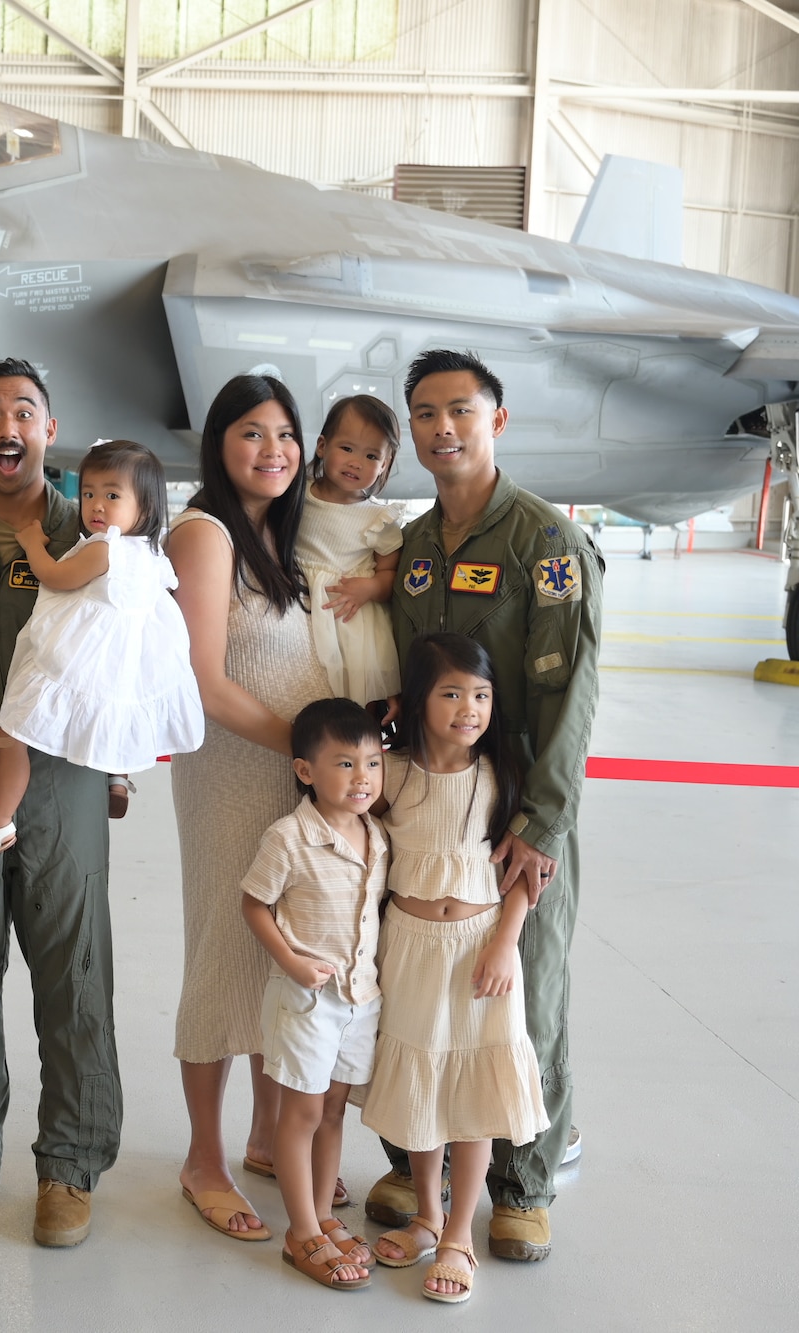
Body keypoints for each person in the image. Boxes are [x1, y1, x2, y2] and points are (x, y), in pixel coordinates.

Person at [365, 348, 602, 1264]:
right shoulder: (419, 546)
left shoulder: (545, 542)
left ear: (495, 420)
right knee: (422, 991)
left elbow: (572, 699)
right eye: (424, 413)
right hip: (433, 812)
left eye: (459, 410)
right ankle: (418, 1158)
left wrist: (541, 828)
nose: (441, 428)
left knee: (523, 993)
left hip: (521, 813)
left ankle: (522, 1181)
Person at [0, 358, 117, 1250]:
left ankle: (69, 1163)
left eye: (25, 412)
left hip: (68, 780)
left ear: (50, 429)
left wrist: (121, 763)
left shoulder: (98, 533)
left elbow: (141, 655)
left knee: (73, 973)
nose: (7, 426)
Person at [167, 373, 333, 1242]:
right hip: (236, 769)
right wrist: (304, 755)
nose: (273, 451)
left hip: (293, 775)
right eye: (251, 434)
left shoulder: (284, 535)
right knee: (226, 948)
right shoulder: (202, 532)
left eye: (284, 435)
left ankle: (271, 1137)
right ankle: (204, 1157)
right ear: (218, 444)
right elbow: (202, 681)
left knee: (286, 949)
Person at [361, 633, 550, 1303]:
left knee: (469, 1091)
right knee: (423, 1081)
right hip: (409, 944)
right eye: (450, 693)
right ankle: (426, 1215)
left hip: (479, 949)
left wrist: (506, 942)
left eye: (481, 694)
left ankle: (458, 1236)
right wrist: (381, 719)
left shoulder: (501, 776)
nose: (469, 707)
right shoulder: (394, 774)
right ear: (417, 700)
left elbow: (525, 874)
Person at [0, 438, 202, 866]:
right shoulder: (151, 553)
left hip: (79, 658)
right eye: (88, 493)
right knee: (113, 712)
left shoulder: (104, 548)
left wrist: (33, 541)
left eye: (112, 495)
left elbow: (54, 575)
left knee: (12, 731)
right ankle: (118, 776)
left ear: (144, 506)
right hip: (123, 666)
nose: (96, 505)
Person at [239, 697, 389, 1291]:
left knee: (332, 1113)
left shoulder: (377, 834)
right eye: (345, 764)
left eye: (373, 764)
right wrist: (292, 963)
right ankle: (300, 1231)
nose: (362, 778)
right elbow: (254, 904)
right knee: (300, 1113)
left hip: (361, 998)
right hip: (305, 1001)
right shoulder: (289, 837)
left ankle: (324, 1215)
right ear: (306, 771)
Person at [296, 395, 404, 706]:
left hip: (349, 615)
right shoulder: (298, 495)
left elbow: (389, 573)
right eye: (347, 448)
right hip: (302, 604)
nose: (357, 462)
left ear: (385, 465)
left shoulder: (377, 518)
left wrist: (371, 587)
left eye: (372, 456)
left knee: (356, 696)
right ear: (321, 447)